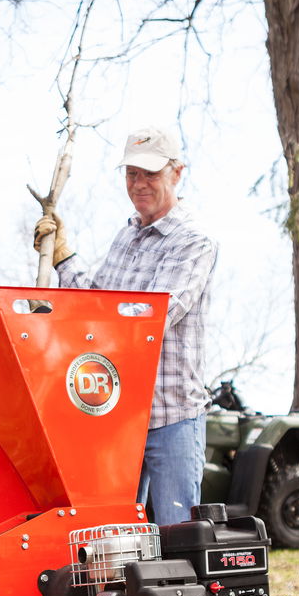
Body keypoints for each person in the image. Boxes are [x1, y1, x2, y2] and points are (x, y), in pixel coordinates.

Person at [33, 125, 218, 525]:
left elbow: (152, 318)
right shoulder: (126, 237)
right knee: (112, 542)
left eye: (150, 173)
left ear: (177, 173)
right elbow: (95, 302)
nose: (139, 183)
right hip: (116, 418)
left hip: (171, 416)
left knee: (177, 534)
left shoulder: (193, 241)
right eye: (131, 173)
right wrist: (63, 256)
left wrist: (91, 326)